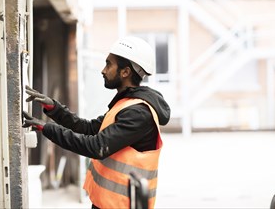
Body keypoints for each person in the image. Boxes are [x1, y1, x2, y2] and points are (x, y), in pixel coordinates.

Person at [23, 36, 171, 209]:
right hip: (108, 202)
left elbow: (96, 146)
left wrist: (47, 128)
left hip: (123, 205)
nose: (103, 70)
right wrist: (54, 108)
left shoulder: (138, 113)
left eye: (109, 64)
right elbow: (89, 128)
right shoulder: (126, 104)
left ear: (125, 72)